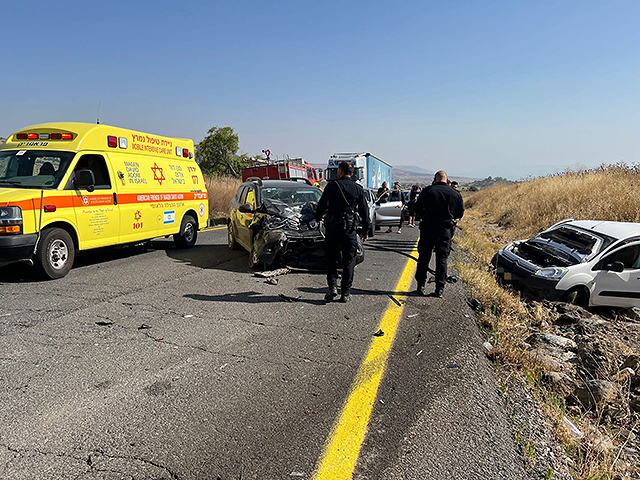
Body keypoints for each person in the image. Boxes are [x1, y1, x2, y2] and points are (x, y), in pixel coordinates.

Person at [315, 161, 370, 303]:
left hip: (333, 228)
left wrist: (317, 218)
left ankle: (332, 287)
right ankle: (345, 293)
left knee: (331, 258)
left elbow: (321, 205)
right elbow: (365, 211)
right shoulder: (358, 188)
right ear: (352, 173)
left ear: (340, 171)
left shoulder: (332, 186)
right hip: (349, 229)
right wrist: (365, 230)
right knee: (349, 261)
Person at [414, 170, 464, 298]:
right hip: (445, 230)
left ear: (435, 179)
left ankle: (420, 286)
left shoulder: (427, 191)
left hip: (428, 229)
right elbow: (459, 214)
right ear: (447, 180)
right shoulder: (455, 194)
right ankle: (439, 289)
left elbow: (416, 209)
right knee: (442, 259)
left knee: (424, 258)